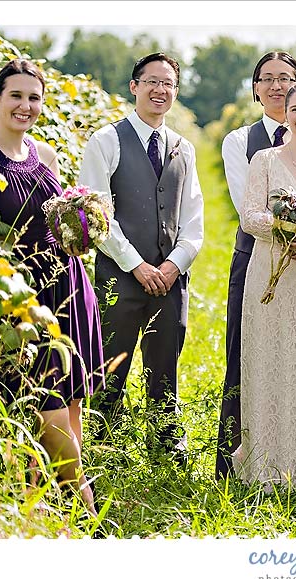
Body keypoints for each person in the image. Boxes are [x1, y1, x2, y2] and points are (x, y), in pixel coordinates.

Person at [0, 58, 104, 515]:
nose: (25, 106)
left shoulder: (46, 156)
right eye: (16, 96)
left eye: (34, 97)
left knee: (71, 400)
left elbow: (59, 222)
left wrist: (86, 220)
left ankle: (47, 505)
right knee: (42, 403)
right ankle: (85, 506)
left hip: (66, 283)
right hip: (18, 294)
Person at [215, 51, 296, 480]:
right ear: (256, 89)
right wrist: (294, 239)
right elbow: (244, 205)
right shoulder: (240, 142)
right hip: (258, 259)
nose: (276, 86)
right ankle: (239, 456)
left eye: (285, 79)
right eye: (267, 79)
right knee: (246, 357)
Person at [79, 53, 204, 466]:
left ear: (176, 91)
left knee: (165, 360)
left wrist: (173, 265)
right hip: (120, 274)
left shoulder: (183, 149)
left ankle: (166, 445)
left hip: (170, 278)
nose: (160, 90)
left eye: (168, 83)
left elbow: (193, 219)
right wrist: (137, 265)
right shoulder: (106, 140)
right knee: (111, 362)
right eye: (151, 81)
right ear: (134, 86)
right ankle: (103, 445)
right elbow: (95, 214)